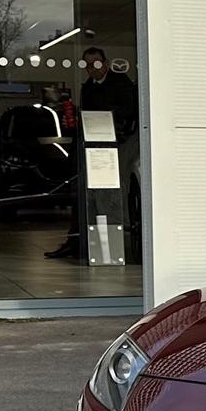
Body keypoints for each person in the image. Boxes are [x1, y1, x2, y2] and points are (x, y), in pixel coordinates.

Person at [48, 47, 141, 261]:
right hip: (96, 144)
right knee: (85, 191)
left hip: (118, 141)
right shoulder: (88, 87)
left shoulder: (120, 83)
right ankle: (78, 240)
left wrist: (102, 117)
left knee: (113, 186)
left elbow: (127, 111)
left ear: (105, 64)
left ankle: (113, 236)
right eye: (87, 65)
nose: (92, 69)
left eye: (96, 64)